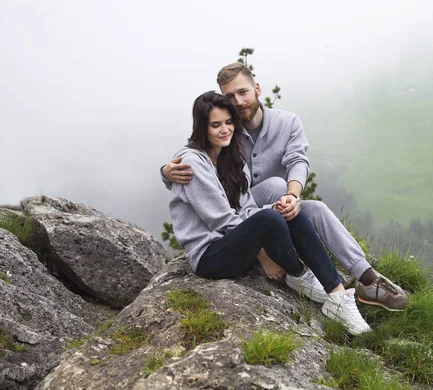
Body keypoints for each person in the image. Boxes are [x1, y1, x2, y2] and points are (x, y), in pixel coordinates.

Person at [162, 63, 409, 312]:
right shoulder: (225, 130)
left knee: (314, 208)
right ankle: (295, 262)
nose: (238, 101)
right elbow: (198, 164)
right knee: (275, 186)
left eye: (243, 92)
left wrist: (293, 195)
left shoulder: (287, 122)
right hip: (239, 214)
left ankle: (367, 278)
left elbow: (297, 160)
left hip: (268, 205)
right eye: (229, 96)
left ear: (256, 89)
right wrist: (166, 172)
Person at [169, 91, 371, 335]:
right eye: (216, 125)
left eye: (229, 122)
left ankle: (337, 297)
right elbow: (220, 220)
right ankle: (298, 272)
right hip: (209, 256)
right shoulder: (191, 163)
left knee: (287, 209)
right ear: (202, 127)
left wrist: (275, 212)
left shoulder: (231, 156)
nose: (225, 130)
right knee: (269, 218)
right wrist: (264, 254)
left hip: (234, 243)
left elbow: (247, 209)